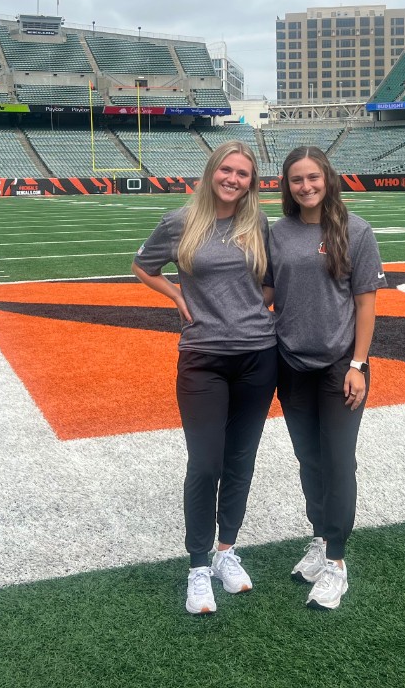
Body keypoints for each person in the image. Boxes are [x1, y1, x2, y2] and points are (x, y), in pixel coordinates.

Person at [132, 140, 277, 615]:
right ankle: (197, 566)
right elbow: (142, 266)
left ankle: (225, 552)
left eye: (243, 174)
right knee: (205, 463)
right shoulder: (180, 221)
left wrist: (253, 311)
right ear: (212, 171)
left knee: (241, 460)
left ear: (251, 181)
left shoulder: (257, 222)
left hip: (258, 354)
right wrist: (176, 296)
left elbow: (271, 280)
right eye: (227, 170)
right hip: (203, 356)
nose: (234, 179)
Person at [269, 146, 385, 610]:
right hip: (290, 362)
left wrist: (358, 365)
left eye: (313, 177)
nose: (306, 186)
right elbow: (266, 294)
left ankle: (337, 561)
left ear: (327, 179)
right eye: (297, 180)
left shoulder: (355, 230)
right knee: (309, 461)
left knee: (338, 462)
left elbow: (366, 305)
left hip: (341, 366)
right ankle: (319, 538)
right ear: (287, 185)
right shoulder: (277, 232)